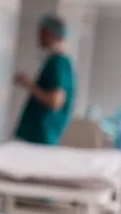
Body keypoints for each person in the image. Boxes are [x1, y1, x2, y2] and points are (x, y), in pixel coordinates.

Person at [13, 15, 76, 145]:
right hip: (39, 136)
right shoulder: (57, 61)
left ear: (49, 33)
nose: (39, 37)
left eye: (41, 32)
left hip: (41, 137)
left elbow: (55, 101)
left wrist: (28, 85)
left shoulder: (59, 62)